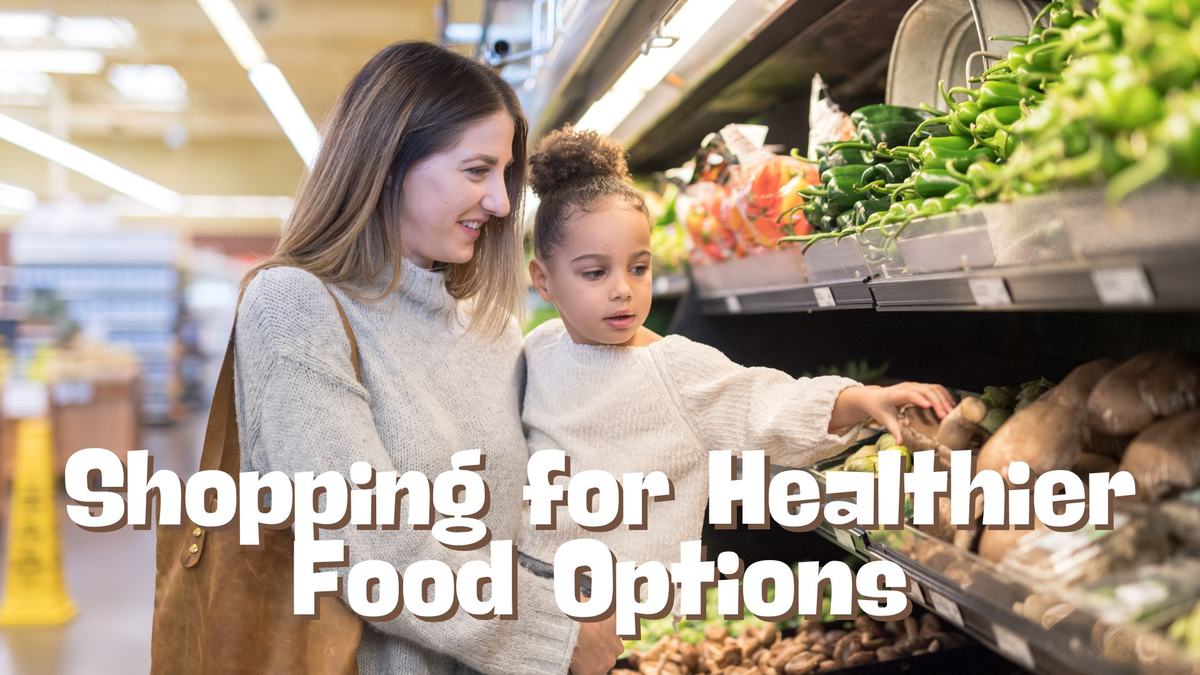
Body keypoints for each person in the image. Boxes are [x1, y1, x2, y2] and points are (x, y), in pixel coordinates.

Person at [234, 44, 620, 675]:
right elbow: (366, 544)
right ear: (388, 164)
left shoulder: (487, 325)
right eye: (477, 171)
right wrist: (556, 635)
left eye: (504, 176)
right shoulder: (295, 306)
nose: (500, 203)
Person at [519, 126, 956, 572]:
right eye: (595, 273)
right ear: (543, 280)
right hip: (543, 598)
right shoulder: (537, 350)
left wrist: (863, 398)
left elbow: (763, 403)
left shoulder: (673, 367)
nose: (623, 290)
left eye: (638, 268)